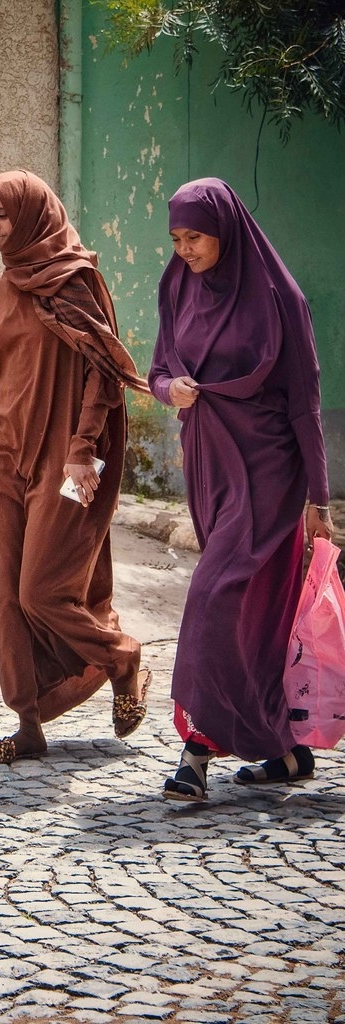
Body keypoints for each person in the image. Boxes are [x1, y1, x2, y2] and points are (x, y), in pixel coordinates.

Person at [149, 177, 335, 802]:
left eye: (195, 237)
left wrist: (319, 497)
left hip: (270, 473)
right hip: (211, 464)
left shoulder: (280, 297)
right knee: (253, 613)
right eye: (176, 239)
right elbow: (157, 369)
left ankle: (196, 752)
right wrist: (168, 388)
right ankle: (286, 753)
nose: (186, 250)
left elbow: (306, 402)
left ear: (224, 229)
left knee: (215, 596)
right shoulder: (176, 284)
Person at [0, 169, 152, 765]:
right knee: (8, 596)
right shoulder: (5, 287)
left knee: (43, 591)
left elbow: (104, 371)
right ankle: (28, 725)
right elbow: (2, 374)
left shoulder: (76, 280)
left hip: (70, 463)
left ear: (31, 213)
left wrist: (83, 448)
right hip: (6, 461)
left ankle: (119, 654)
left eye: (3, 216)